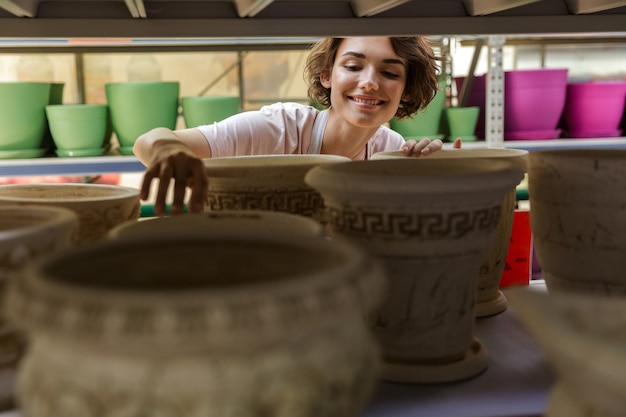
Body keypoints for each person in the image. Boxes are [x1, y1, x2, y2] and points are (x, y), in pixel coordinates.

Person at [134, 36, 462, 216]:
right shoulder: (279, 128)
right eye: (353, 66)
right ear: (327, 75)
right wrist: (168, 151)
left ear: (405, 93)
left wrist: (449, 180)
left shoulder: (391, 152)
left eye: (390, 73)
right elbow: (148, 140)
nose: (369, 83)